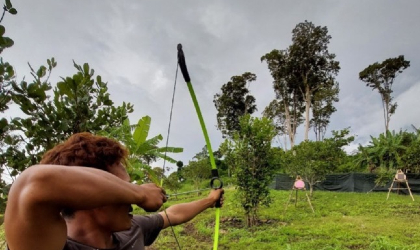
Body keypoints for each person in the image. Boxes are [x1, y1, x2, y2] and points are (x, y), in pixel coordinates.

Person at [4, 132, 224, 250]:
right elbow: (34, 184)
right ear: (86, 194)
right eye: (122, 188)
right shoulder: (48, 245)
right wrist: (140, 192)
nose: (132, 199)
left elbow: (172, 215)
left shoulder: (131, 230)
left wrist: (209, 200)